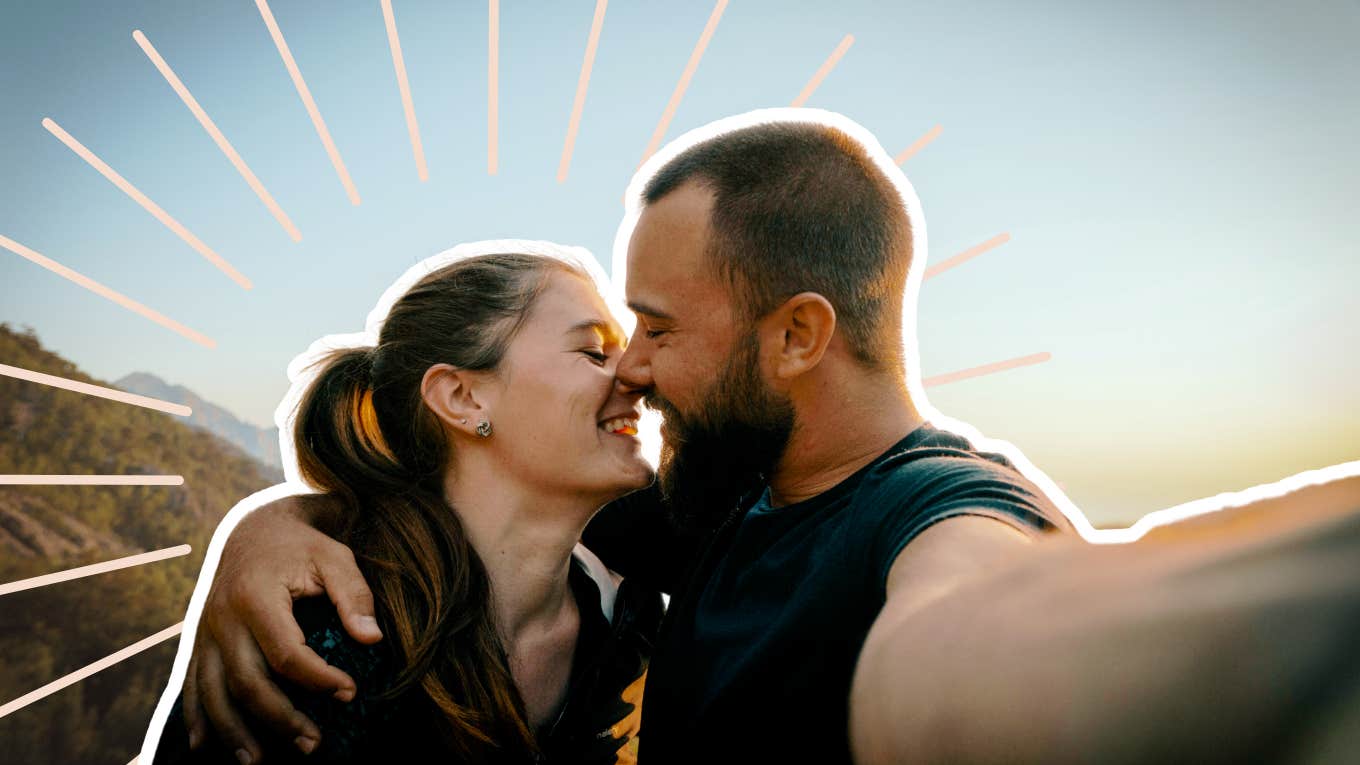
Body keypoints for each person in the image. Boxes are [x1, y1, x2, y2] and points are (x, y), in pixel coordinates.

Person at [158, 110, 1360, 764]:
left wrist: (1280, 634)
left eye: (655, 330)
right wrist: (271, 526)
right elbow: (453, 501)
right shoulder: (707, 498)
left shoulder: (931, 512)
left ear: (796, 337)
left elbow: (976, 624)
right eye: (605, 339)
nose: (631, 367)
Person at [143, 248, 665, 764]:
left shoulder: (631, 617)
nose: (638, 376)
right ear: (463, 398)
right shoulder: (320, 642)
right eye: (594, 352)